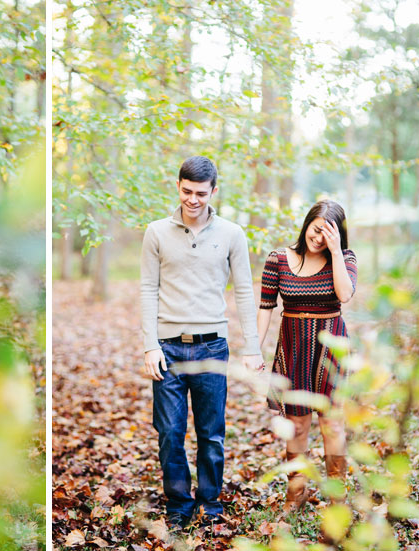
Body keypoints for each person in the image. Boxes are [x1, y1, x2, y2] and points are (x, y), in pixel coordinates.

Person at [140, 156, 264, 528]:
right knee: (170, 433)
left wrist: (252, 346)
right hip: (168, 348)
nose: (192, 199)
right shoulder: (156, 232)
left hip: (213, 348)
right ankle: (179, 504)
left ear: (214, 190)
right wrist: (149, 344)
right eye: (186, 191)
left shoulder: (232, 233)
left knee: (211, 434)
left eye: (200, 193)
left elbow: (244, 291)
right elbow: (148, 289)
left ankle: (209, 503)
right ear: (177, 186)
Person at [257, 200, 357, 514]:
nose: (319, 238)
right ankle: (296, 493)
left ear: (338, 235)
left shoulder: (346, 258)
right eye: (316, 230)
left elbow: (344, 295)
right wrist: (254, 351)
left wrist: (337, 251)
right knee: (297, 425)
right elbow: (265, 308)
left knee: (333, 425)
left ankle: (337, 498)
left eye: (328, 233)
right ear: (306, 225)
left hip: (331, 348)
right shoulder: (279, 259)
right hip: (294, 347)